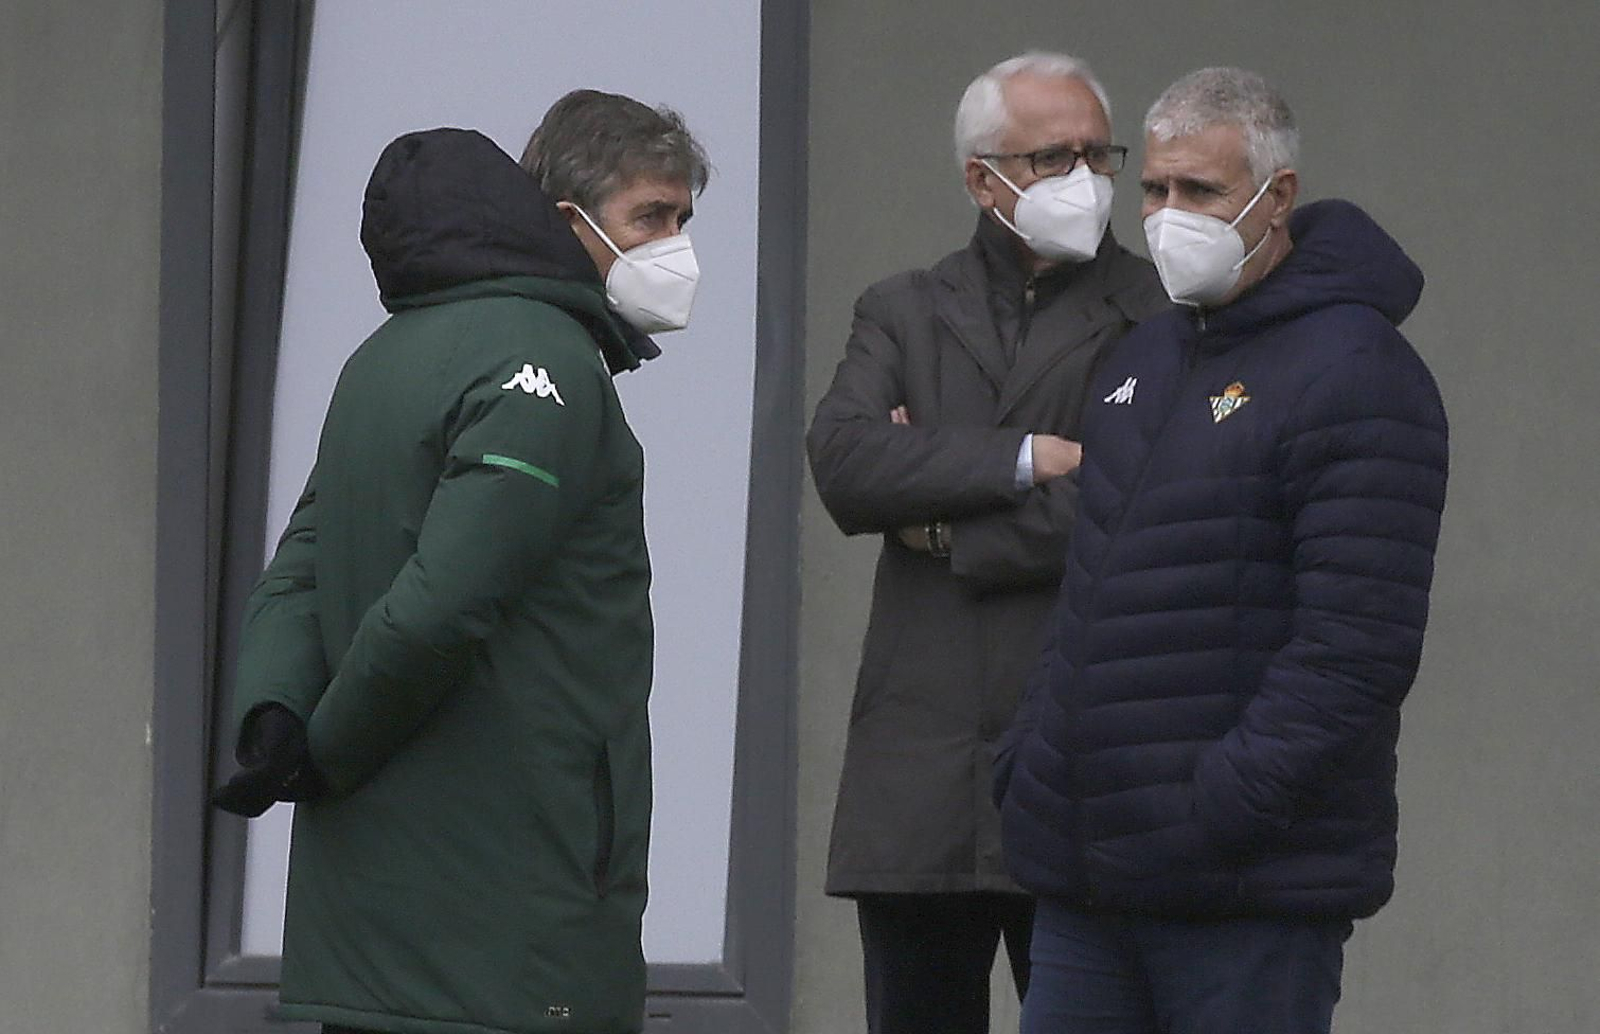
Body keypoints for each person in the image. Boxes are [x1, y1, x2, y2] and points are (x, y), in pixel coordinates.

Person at [210, 90, 709, 1034]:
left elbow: (297, 568)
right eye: (652, 217)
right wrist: (326, 751)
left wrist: (272, 716)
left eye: (683, 220)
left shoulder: (383, 357)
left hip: (372, 920)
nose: (675, 248)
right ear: (568, 220)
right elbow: (446, 600)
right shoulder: (544, 359)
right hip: (507, 914)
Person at [993, 67, 1449, 1034]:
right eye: (1153, 189)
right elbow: (1093, 589)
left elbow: (1356, 648)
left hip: (1246, 893)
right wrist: (1033, 758)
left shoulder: (1357, 371)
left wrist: (1212, 811)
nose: (1165, 216)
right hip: (1088, 879)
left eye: (1197, 191)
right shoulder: (1147, 358)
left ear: (1275, 197)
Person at [807, 52, 1166, 1034]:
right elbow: (842, 460)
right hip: (920, 765)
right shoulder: (904, 306)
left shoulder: (1158, 315)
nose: (1087, 177)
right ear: (982, 176)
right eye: (1055, 156)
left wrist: (933, 521)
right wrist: (1021, 456)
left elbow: (1134, 503)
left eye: (1100, 152)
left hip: (1079, 751)